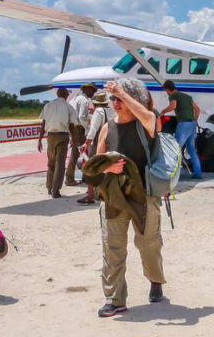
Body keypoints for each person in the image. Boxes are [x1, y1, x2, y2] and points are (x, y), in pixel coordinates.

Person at [87, 78, 166, 317]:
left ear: (135, 100)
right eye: (113, 98)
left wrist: (123, 91)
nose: (115, 103)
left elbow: (152, 119)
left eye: (120, 99)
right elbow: (93, 165)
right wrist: (106, 169)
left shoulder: (146, 123)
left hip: (144, 196)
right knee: (112, 247)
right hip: (113, 197)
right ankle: (115, 299)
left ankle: (155, 280)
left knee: (149, 244)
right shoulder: (106, 128)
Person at [38, 87, 78, 198]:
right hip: (62, 136)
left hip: (50, 136)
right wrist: (74, 138)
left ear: (57, 94)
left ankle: (49, 187)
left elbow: (43, 123)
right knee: (60, 164)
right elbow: (71, 125)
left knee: (51, 163)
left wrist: (40, 139)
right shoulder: (69, 107)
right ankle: (56, 190)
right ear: (66, 95)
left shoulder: (48, 105)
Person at [158, 80, 202, 179]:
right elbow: (197, 109)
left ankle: (173, 174)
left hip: (183, 124)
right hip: (192, 124)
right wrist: (195, 120)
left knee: (176, 149)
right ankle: (197, 173)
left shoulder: (173, 96)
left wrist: (163, 112)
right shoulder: (187, 96)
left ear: (167, 90)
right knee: (191, 150)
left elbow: (173, 106)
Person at [77, 90, 113, 205]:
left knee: (91, 167)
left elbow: (93, 130)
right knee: (108, 167)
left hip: (100, 142)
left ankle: (91, 195)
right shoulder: (111, 111)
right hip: (111, 142)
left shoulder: (98, 112)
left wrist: (86, 144)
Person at [66, 83, 97, 186]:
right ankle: (73, 178)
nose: (93, 93)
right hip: (79, 129)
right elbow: (82, 118)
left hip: (72, 128)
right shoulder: (84, 100)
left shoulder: (75, 99)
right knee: (82, 153)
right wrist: (89, 130)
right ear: (87, 89)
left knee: (76, 154)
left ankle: (72, 178)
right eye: (92, 90)